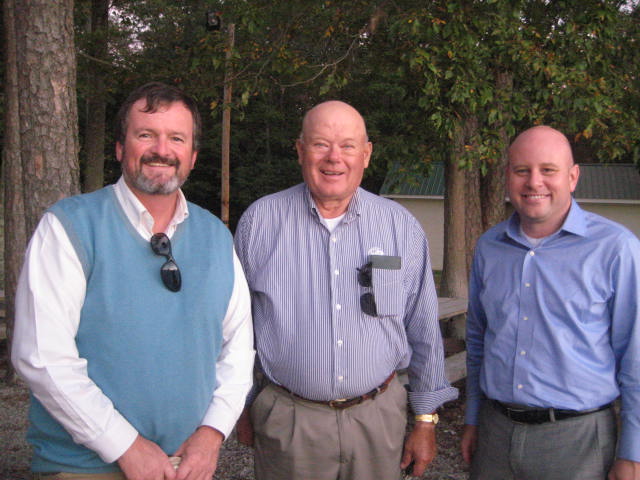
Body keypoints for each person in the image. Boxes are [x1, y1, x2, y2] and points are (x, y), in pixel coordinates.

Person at [12, 82, 255, 480]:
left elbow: (238, 351)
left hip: (184, 465)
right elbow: (42, 356)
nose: (162, 149)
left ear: (192, 156)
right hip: (83, 468)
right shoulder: (70, 227)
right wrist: (125, 445)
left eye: (177, 138)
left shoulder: (216, 238)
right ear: (121, 148)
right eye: (146, 134)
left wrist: (212, 434)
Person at [233, 100, 458, 480]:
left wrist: (424, 419)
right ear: (300, 150)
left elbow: (424, 332)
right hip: (289, 422)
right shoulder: (260, 222)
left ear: (366, 154)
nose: (334, 158)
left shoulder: (399, 227)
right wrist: (241, 407)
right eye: (320, 144)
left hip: (378, 418)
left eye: (348, 146)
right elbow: (235, 329)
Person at [461, 125, 640, 480]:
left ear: (573, 177)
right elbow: (478, 341)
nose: (534, 182)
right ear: (507, 176)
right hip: (495, 434)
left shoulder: (616, 249)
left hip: (578, 442)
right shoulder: (489, 247)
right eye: (521, 170)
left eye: (548, 170)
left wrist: (632, 453)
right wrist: (472, 418)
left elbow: (636, 357)